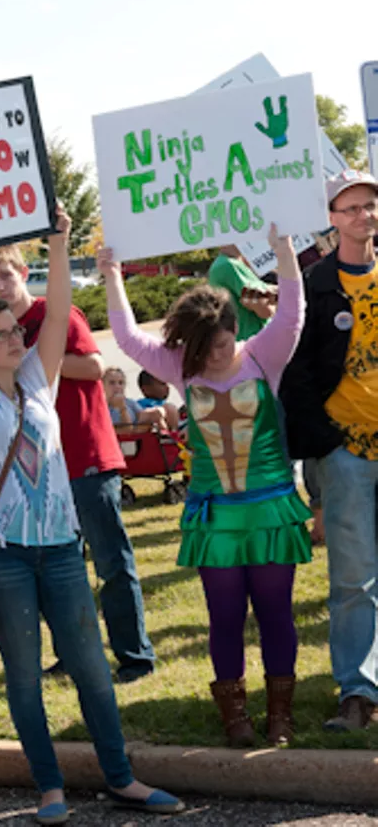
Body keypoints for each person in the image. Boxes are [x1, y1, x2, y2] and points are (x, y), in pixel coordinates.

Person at [0, 210, 182, 823]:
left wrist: (58, 243)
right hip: (2, 557)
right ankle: (49, 788)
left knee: (92, 670)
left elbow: (56, 312)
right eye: (4, 336)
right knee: (24, 675)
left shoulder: (38, 381)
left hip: (60, 549)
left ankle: (121, 778)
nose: (14, 340)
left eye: (15, 334)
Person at [103, 226, 310, 747]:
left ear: (234, 330)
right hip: (214, 516)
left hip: (269, 511)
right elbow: (128, 338)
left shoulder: (265, 354)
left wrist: (283, 248)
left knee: (275, 611)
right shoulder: (182, 366)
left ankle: (280, 714)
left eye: (221, 343)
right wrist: (109, 274)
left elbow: (291, 313)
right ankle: (234, 715)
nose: (216, 356)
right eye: (205, 348)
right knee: (223, 615)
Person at [0, 242, 156, 683]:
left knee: (111, 562)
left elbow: (96, 367)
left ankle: (134, 656)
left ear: (24, 271)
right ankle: (73, 654)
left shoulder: (54, 313)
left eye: (6, 276)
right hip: (44, 471)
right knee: (61, 569)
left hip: (87, 457)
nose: (0, 286)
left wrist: (36, 359)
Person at [281, 169, 378, 732]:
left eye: (370, 205)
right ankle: (358, 693)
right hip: (345, 456)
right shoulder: (314, 286)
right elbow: (294, 377)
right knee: (354, 577)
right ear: (333, 218)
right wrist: (328, 446)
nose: (364, 215)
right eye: (352, 208)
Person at [209, 246, 277, 341]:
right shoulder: (229, 266)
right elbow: (265, 309)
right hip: (251, 343)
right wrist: (278, 294)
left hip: (245, 343)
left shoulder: (229, 265)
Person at [102, 367, 168, 430]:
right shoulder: (102, 406)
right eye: (112, 383)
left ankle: (166, 436)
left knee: (158, 412)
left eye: (121, 383)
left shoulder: (130, 403)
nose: (117, 386)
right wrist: (122, 408)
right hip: (117, 435)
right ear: (102, 386)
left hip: (136, 435)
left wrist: (157, 413)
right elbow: (126, 429)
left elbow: (142, 415)